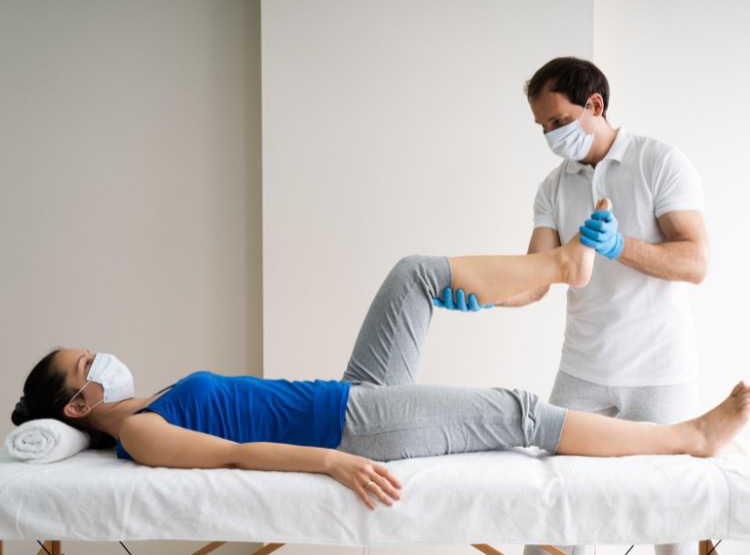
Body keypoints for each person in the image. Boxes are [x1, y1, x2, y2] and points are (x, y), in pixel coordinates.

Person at [13, 217, 747, 512]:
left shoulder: (146, 404)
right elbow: (236, 455)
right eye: (87, 361)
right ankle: (691, 437)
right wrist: (332, 464)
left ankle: (556, 263)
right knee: (516, 410)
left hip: (347, 393)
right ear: (77, 403)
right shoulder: (138, 432)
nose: (102, 355)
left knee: (413, 275)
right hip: (354, 426)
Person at [437, 58, 709, 555]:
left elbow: (695, 261)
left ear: (595, 106)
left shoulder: (659, 162)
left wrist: (619, 247)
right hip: (583, 371)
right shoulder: (554, 187)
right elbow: (536, 279)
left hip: (660, 373)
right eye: (543, 127)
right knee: (553, 518)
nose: (551, 136)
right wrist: (486, 295)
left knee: (673, 522)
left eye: (559, 122)